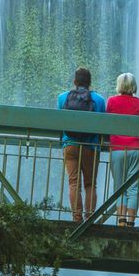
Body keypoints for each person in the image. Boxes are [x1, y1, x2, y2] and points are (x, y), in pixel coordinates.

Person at [58, 67, 106, 222]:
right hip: (90, 147)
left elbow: (58, 123)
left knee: (74, 183)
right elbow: (103, 126)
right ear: (90, 83)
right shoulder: (99, 100)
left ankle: (76, 219)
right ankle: (90, 219)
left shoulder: (63, 98)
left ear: (74, 82)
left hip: (70, 145)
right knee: (90, 184)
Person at [105, 73, 139, 227]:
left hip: (117, 149)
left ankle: (121, 221)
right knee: (133, 188)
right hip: (136, 148)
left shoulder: (112, 101)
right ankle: (131, 223)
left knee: (119, 186)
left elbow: (106, 122)